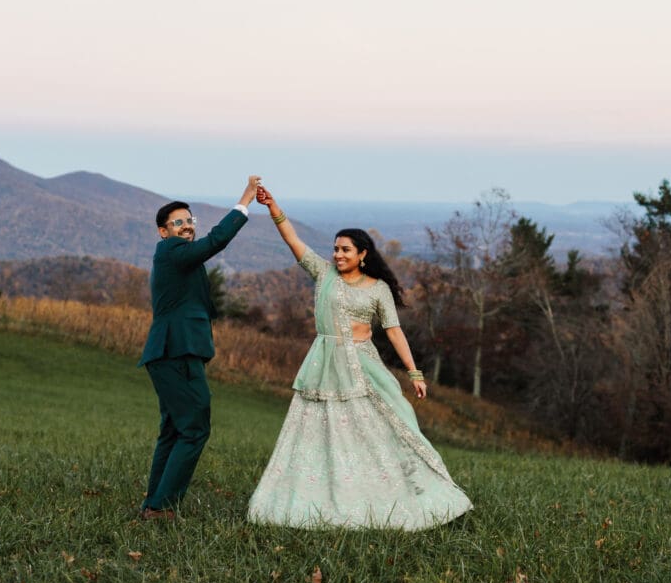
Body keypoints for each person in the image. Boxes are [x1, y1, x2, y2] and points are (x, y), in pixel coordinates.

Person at [247, 185, 473, 530]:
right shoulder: (323, 274)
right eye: (335, 249)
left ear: (362, 254)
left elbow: (394, 331)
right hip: (324, 365)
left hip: (363, 366)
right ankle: (317, 495)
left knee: (387, 424)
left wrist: (414, 373)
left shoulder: (378, 289)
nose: (337, 254)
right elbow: (291, 239)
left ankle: (400, 490)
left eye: (345, 250)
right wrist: (273, 206)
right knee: (317, 429)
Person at [138, 175, 261, 521]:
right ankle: (162, 507)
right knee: (195, 429)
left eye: (190, 221)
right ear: (164, 231)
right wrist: (244, 201)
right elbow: (216, 241)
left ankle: (154, 504)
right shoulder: (171, 250)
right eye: (178, 223)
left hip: (168, 354)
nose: (187, 226)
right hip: (176, 353)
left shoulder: (177, 257)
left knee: (174, 430)